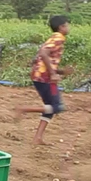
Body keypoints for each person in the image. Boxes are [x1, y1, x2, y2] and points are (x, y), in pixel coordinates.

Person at [17, 15, 72, 144]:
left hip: (40, 76)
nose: (69, 28)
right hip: (45, 78)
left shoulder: (54, 38)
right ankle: (24, 109)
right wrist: (53, 74)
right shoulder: (58, 38)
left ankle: (38, 138)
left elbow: (43, 58)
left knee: (50, 107)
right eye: (67, 25)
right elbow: (43, 53)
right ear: (61, 27)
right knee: (56, 107)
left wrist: (60, 71)